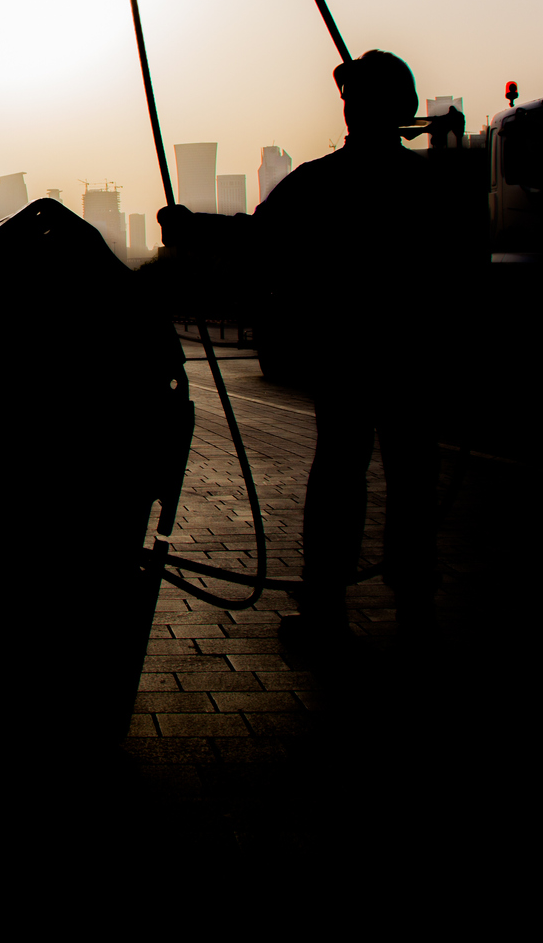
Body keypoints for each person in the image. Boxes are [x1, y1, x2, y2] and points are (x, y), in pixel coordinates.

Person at [160, 50, 464, 650]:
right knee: (408, 481)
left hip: (353, 354)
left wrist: (193, 228)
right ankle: (410, 612)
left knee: (346, 478)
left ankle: (331, 610)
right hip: (409, 357)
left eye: (356, 100)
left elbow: (258, 237)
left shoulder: (328, 183)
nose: (350, 110)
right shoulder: (433, 186)